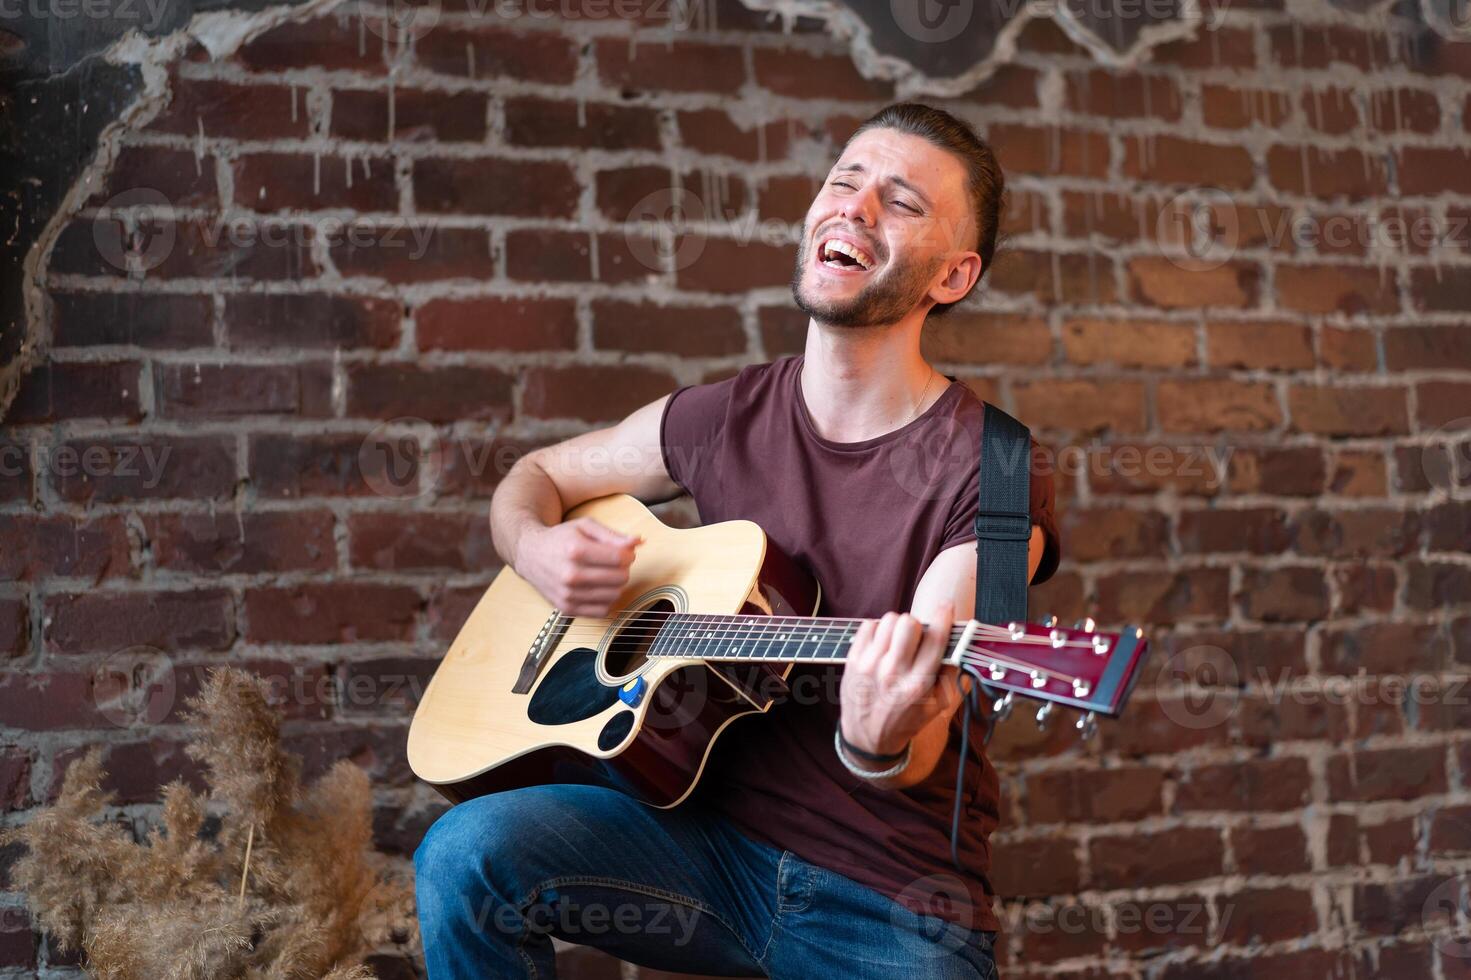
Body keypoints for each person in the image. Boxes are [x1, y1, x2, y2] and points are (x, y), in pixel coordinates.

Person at [414, 102, 1060, 980]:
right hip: (695, 848)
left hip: (881, 894)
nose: (856, 208)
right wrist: (534, 547)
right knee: (466, 854)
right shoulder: (723, 416)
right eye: (843, 180)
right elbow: (536, 477)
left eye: (901, 203)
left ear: (952, 275)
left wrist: (873, 737)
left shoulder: (998, 472)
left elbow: (924, 732)